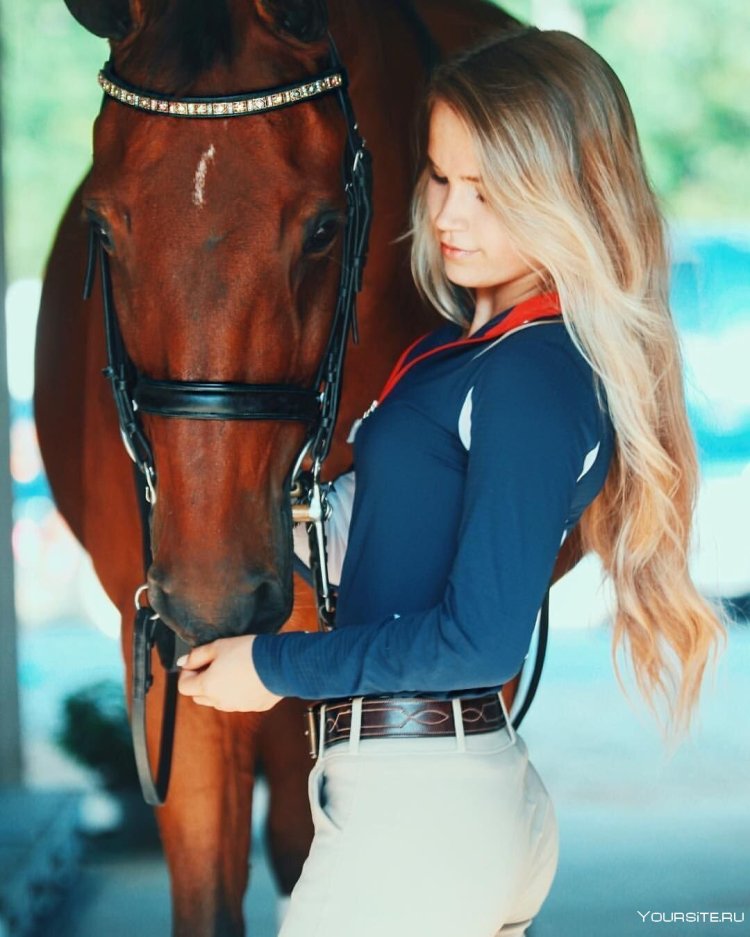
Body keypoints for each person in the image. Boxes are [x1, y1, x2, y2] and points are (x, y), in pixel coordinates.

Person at [176, 27, 725, 937]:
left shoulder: (531, 371)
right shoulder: (455, 353)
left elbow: (480, 642)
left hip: (422, 817)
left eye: (489, 191)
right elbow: (394, 537)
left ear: (570, 195)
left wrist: (272, 667)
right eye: (440, 176)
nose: (448, 216)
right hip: (412, 804)